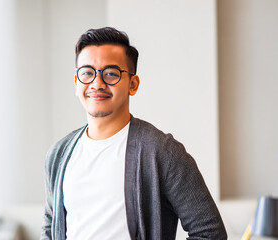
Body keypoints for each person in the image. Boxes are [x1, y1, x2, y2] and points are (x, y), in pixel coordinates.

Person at [41, 27, 227, 240]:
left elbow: (210, 233)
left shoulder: (162, 152)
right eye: (87, 73)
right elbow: (49, 229)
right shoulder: (58, 155)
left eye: (111, 73)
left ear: (133, 84)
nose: (97, 83)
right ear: (76, 83)